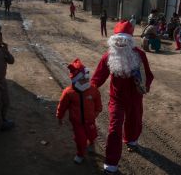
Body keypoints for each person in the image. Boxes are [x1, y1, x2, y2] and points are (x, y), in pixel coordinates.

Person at [91, 20, 154, 174]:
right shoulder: (108, 56)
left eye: (123, 40)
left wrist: (144, 86)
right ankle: (111, 164)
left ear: (130, 41)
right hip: (117, 99)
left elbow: (148, 75)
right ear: (113, 41)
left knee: (135, 120)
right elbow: (98, 77)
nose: (120, 43)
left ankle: (131, 140)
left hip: (135, 98)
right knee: (114, 129)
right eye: (117, 40)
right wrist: (90, 89)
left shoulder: (139, 55)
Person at [57, 58, 102, 164]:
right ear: (76, 80)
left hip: (90, 120)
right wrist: (59, 116)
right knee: (80, 140)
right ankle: (80, 154)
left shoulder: (93, 90)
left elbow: (97, 101)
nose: (86, 81)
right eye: (83, 79)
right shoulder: (69, 93)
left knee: (92, 135)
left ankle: (91, 141)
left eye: (87, 79)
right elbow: (62, 105)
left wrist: (97, 111)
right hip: (77, 123)